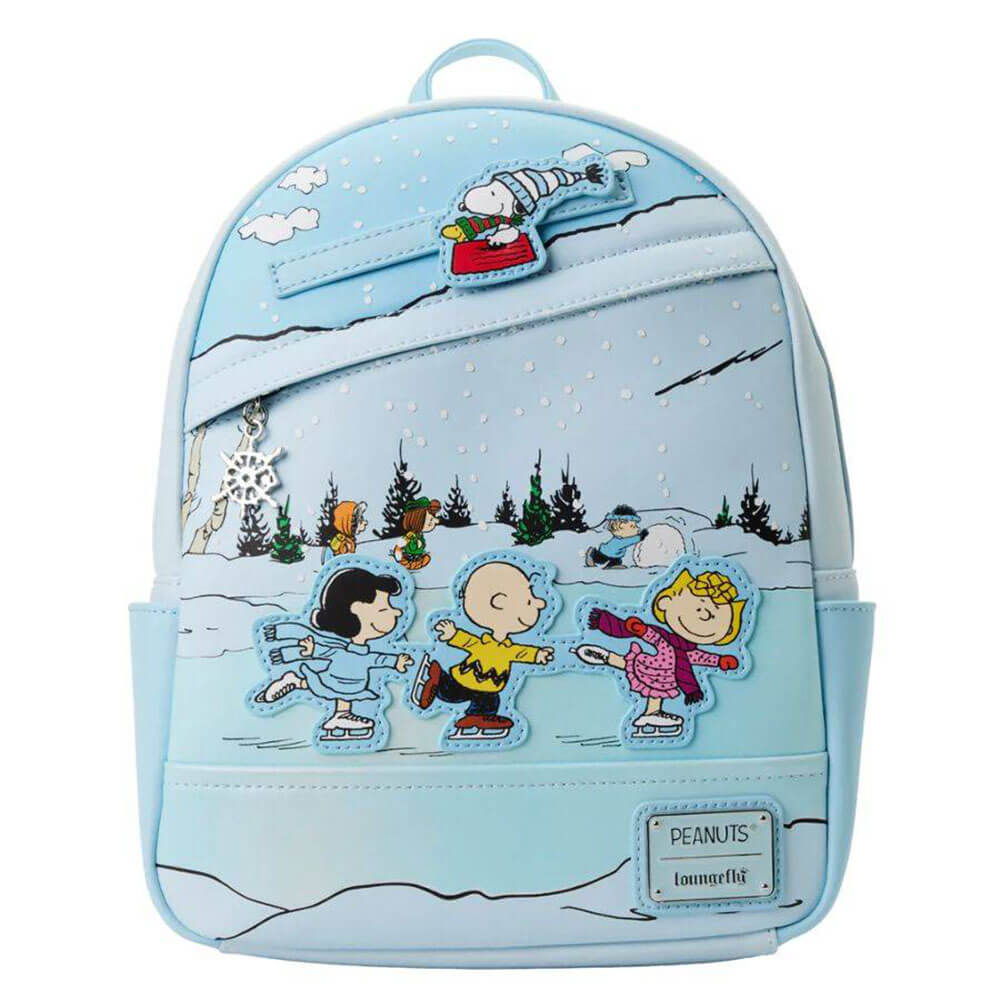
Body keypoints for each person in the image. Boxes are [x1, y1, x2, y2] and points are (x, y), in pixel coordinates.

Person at [578, 568, 745, 737]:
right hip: (654, 667)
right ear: (665, 602)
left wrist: (720, 661)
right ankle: (648, 711)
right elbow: (654, 637)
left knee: (637, 673)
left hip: (664, 675)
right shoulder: (667, 639)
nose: (705, 614)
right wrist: (642, 630)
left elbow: (700, 657)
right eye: (700, 604)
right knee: (637, 671)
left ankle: (607, 659)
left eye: (714, 613)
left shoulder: (688, 651)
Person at [255, 567, 411, 741]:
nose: (397, 612)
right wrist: (312, 650)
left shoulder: (359, 653)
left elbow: (376, 659)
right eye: (384, 609)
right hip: (340, 680)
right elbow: (373, 659)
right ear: (358, 610)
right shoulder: (346, 652)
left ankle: (300, 685)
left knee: (332, 690)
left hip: (348, 682)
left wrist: (395, 662)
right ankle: (338, 715)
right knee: (336, 690)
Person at [411, 560, 553, 739]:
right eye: (528, 601)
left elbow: (522, 652)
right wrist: (452, 634)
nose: (540, 604)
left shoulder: (508, 648)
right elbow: (468, 642)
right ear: (500, 602)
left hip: (487, 688)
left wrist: (538, 654)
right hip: (464, 680)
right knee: (453, 694)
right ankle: (438, 680)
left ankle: (474, 718)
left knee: (489, 700)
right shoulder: (485, 644)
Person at [585, 505, 648, 569]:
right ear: (618, 529)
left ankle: (611, 565)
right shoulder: (621, 541)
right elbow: (632, 540)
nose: (637, 529)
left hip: (615, 556)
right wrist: (641, 536)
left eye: (636, 526)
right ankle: (592, 554)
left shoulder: (620, 538)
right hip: (606, 553)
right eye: (632, 527)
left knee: (616, 561)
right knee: (600, 560)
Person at [392, 497, 440, 571]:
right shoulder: (410, 535)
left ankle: (416, 564)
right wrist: (399, 553)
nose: (435, 522)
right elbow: (400, 546)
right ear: (417, 519)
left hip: (418, 557)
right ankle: (411, 565)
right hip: (408, 557)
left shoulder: (419, 535)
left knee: (427, 558)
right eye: (430, 520)